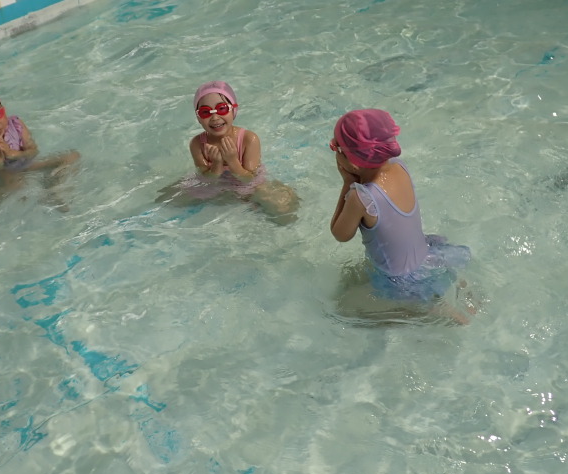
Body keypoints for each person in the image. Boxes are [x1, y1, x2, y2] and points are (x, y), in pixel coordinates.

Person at [329, 109, 472, 323]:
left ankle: (428, 314)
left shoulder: (361, 197)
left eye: (335, 147)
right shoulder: (400, 167)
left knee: (344, 313)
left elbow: (340, 234)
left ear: (350, 158)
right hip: (426, 257)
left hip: (398, 280)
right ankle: (461, 299)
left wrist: (348, 182)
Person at [0, 86, 79, 236]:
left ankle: (51, 188)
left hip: (21, 162)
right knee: (11, 184)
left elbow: (33, 151)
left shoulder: (16, 125)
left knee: (72, 157)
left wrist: (12, 153)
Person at [163, 81, 298, 222]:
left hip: (247, 185)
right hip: (215, 184)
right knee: (165, 199)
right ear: (198, 118)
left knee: (283, 209)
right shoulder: (197, 143)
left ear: (234, 110)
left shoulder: (248, 139)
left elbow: (249, 178)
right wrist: (216, 165)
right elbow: (205, 178)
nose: (215, 118)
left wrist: (232, 160)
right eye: (205, 112)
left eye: (222, 109)